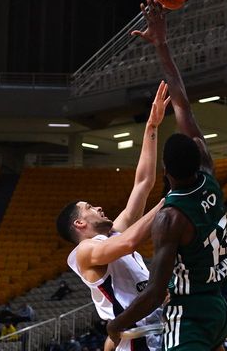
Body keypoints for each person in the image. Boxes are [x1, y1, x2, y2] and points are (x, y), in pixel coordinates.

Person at [106, 0, 227, 351]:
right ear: (199, 154)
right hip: (217, 308)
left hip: (188, 315)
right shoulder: (208, 174)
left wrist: (116, 324)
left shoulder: (170, 219)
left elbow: (156, 291)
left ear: (166, 170)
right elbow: (182, 102)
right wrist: (162, 44)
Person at [56, 81, 170, 350]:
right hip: (136, 339)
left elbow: (143, 183)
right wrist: (170, 200)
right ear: (79, 223)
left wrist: (151, 127)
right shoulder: (84, 251)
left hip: (156, 329)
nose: (98, 207)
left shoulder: (113, 234)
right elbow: (130, 242)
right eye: (89, 207)